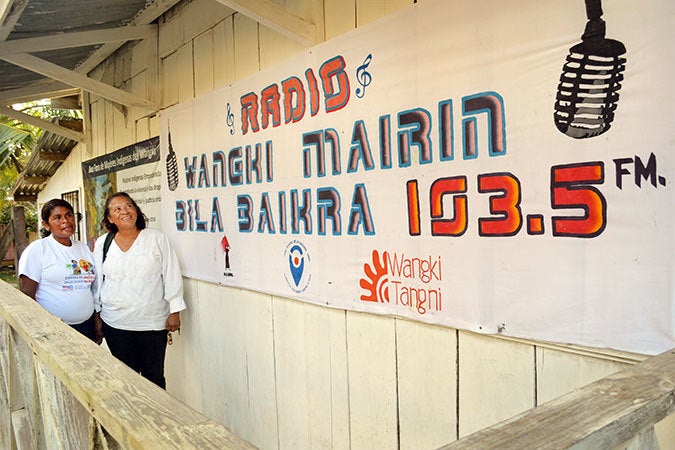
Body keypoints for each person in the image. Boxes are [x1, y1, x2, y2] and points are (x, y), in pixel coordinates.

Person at [93, 192, 185, 389]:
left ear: (136, 211)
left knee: (154, 378)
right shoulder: (103, 243)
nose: (125, 211)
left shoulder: (156, 238)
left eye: (128, 206)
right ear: (109, 218)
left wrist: (175, 311)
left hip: (151, 323)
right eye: (117, 209)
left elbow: (171, 274)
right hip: (116, 323)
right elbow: (98, 282)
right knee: (126, 379)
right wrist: (97, 314)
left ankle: (158, 419)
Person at [18, 198, 101, 343]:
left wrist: (96, 321)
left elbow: (90, 289)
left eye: (69, 215)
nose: (65, 221)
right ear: (46, 225)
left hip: (86, 326)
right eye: (57, 217)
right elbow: (27, 295)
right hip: (54, 330)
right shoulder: (38, 249)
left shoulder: (83, 248)